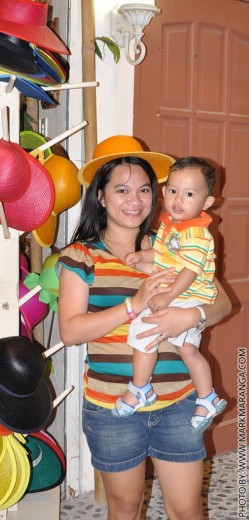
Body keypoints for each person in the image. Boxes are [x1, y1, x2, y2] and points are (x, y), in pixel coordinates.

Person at [57, 136, 232, 520]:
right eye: (121, 189)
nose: (134, 201)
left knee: (186, 509)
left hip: (179, 400)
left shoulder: (174, 242)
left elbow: (221, 302)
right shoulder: (80, 256)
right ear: (100, 196)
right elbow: (70, 331)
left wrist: (192, 317)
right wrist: (132, 306)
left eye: (143, 190)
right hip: (111, 406)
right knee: (124, 507)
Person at [113, 157, 227, 433]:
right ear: (164, 192)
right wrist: (142, 256)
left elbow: (188, 270)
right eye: (173, 190)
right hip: (176, 295)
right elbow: (164, 257)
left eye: (189, 194)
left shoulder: (197, 233)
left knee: (152, 336)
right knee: (184, 348)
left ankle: (144, 388)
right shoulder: (170, 225)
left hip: (187, 296)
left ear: (207, 203)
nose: (179, 199)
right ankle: (204, 396)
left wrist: (168, 296)